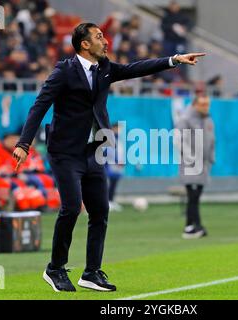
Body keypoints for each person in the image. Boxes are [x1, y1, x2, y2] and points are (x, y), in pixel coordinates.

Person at [13, 22, 205, 292]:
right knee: (70, 208)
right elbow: (39, 106)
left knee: (100, 211)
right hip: (66, 152)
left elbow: (135, 68)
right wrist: (24, 143)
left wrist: (173, 60)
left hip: (94, 152)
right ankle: (55, 268)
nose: (106, 41)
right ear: (85, 44)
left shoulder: (104, 68)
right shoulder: (64, 72)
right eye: (99, 37)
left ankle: (91, 272)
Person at [176, 94, 215, 239]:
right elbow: (178, 139)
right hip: (190, 165)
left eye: (207, 104)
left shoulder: (208, 119)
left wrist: (211, 157)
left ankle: (190, 226)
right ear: (195, 105)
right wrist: (189, 157)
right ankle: (195, 225)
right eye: (203, 104)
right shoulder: (186, 119)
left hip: (203, 165)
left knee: (196, 196)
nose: (206, 107)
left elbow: (212, 139)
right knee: (193, 196)